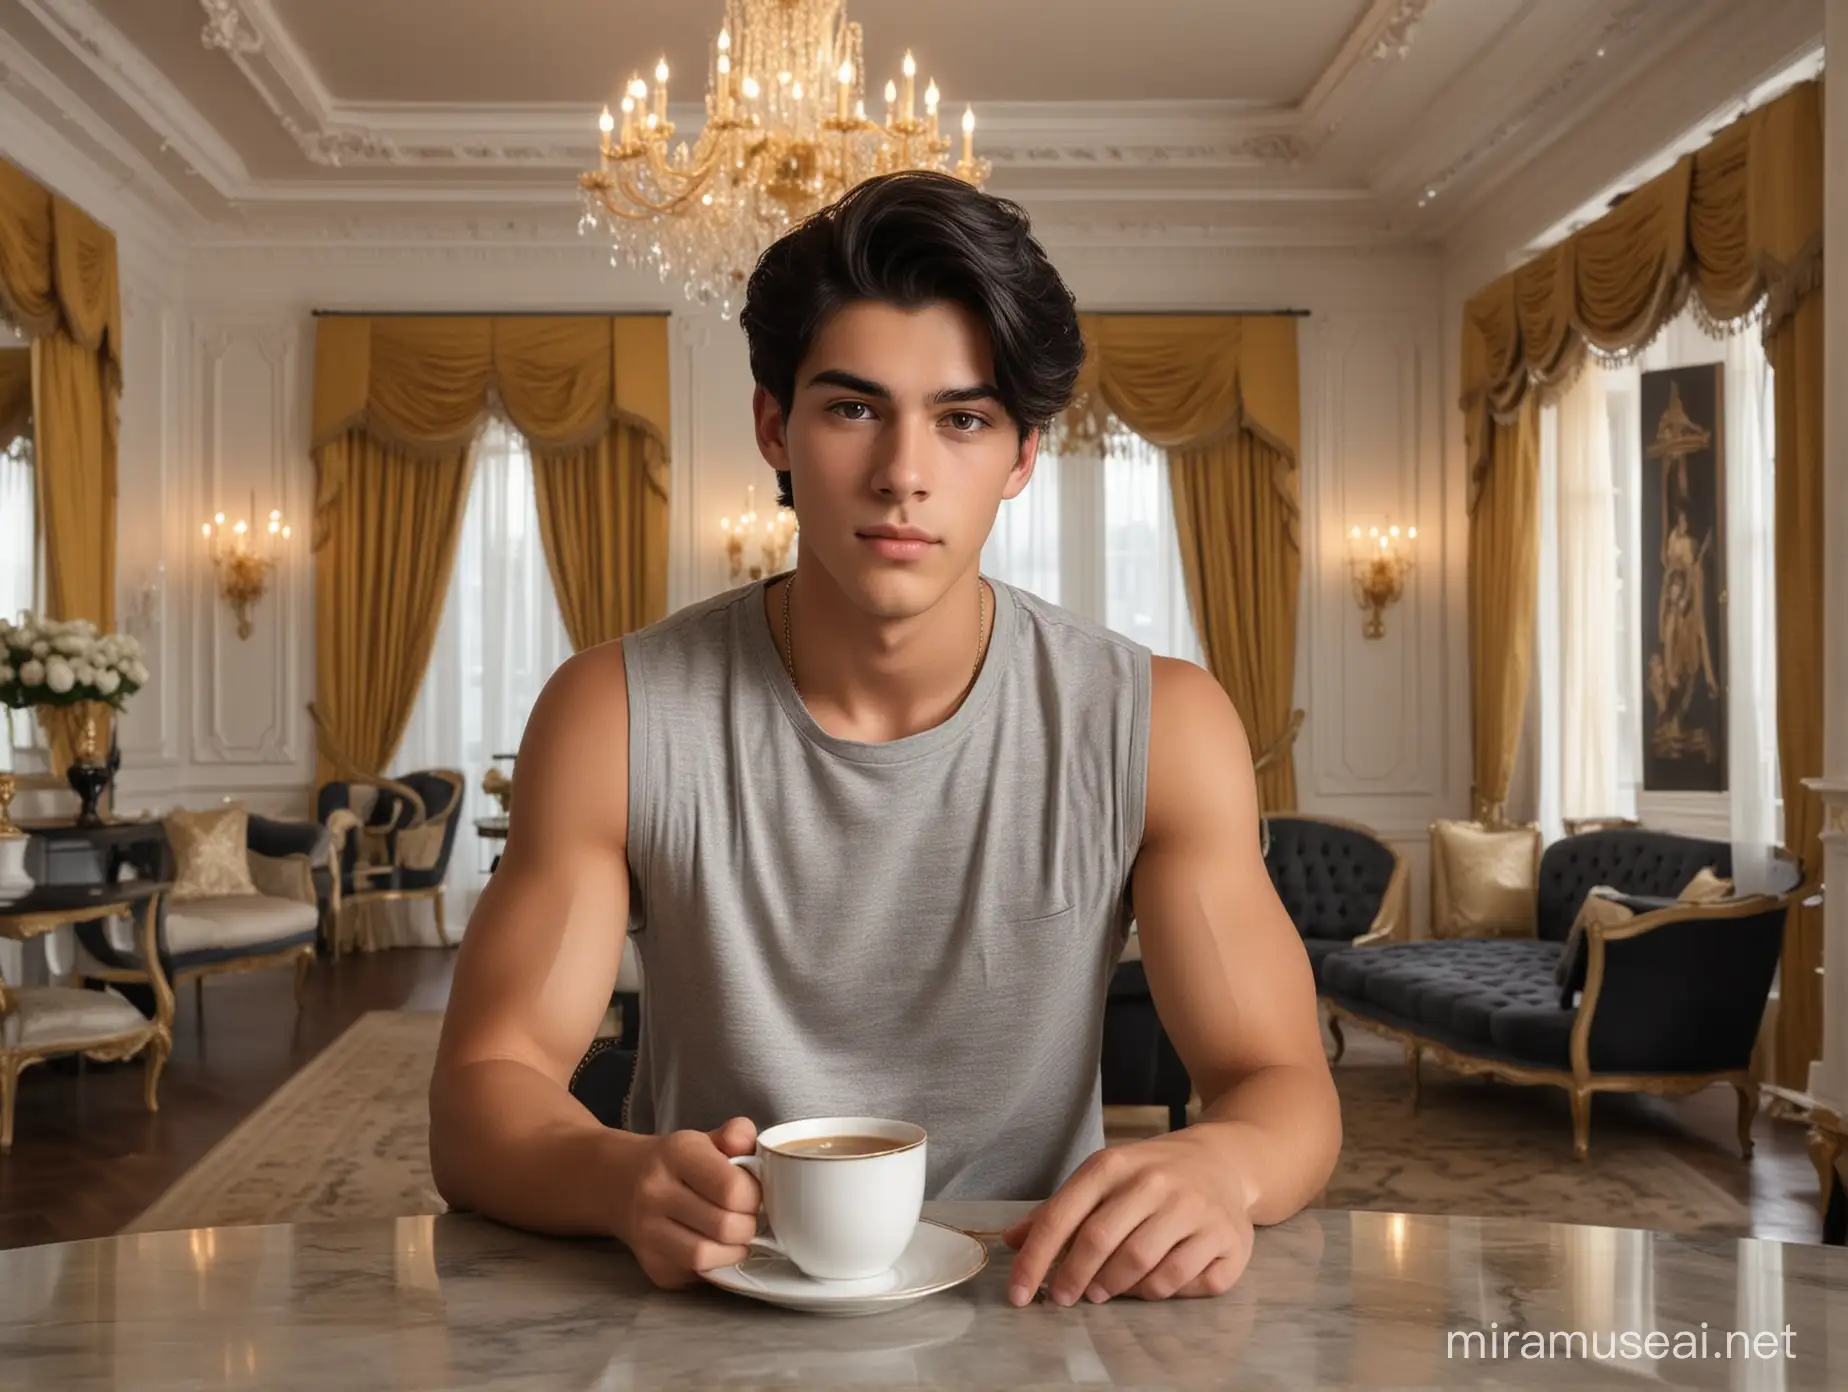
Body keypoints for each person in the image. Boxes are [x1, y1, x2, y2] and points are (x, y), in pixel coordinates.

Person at [429, 170, 1341, 1307]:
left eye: (962, 419)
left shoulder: (1160, 724)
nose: (903, 473)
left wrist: (1223, 1162)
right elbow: (482, 1096)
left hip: (1041, 1300)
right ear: (777, 427)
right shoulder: (613, 714)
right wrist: (614, 1176)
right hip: (710, 1309)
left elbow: (1282, 1083)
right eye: (853, 408)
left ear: (1018, 459)